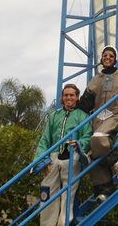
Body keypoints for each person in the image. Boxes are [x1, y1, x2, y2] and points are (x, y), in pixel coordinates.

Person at [78, 46, 118, 202]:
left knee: (98, 139)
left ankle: (116, 163)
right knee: (93, 153)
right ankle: (104, 189)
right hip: (98, 118)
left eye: (111, 56)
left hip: (115, 114)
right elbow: (85, 105)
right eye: (105, 55)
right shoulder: (96, 79)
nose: (107, 58)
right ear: (101, 58)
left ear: (115, 59)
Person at [34, 84, 92, 226]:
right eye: (66, 95)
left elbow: (88, 136)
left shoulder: (82, 116)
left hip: (72, 157)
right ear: (62, 98)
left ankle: (63, 222)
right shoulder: (54, 116)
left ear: (77, 97)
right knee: (47, 192)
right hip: (53, 158)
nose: (68, 98)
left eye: (72, 95)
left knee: (69, 194)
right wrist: (41, 159)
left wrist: (78, 144)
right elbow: (45, 139)